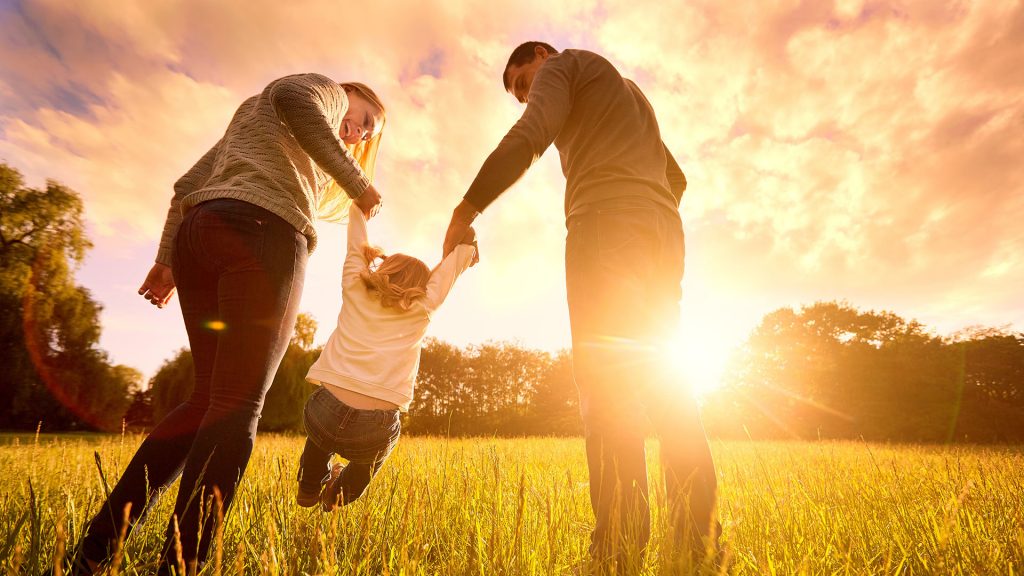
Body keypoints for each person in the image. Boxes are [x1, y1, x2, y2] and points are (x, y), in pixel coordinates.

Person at [60, 73, 387, 576]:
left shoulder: (253, 124)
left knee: (206, 401)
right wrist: (360, 184)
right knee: (238, 408)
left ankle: (93, 553)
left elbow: (187, 187)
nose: (360, 131)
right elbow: (295, 96)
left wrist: (167, 258)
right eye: (364, 118)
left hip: (201, 234)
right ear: (349, 93)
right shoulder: (323, 90)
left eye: (369, 133)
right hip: (263, 234)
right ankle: (182, 565)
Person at [442, 42, 719, 568]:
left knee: (608, 386)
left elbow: (530, 135)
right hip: (662, 232)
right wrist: (643, 208)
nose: (527, 97)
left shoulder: (564, 66)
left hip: (605, 226)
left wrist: (466, 208)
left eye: (525, 83)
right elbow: (675, 177)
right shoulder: (628, 92)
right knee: (668, 385)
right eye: (521, 93)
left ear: (542, 56)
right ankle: (695, 543)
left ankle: (617, 549)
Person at [296, 203, 478, 511]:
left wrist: (359, 209)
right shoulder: (423, 307)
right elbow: (450, 271)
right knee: (371, 458)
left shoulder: (355, 286)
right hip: (375, 426)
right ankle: (338, 495)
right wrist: (466, 248)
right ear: (422, 287)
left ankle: (310, 487)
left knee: (321, 435)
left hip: (324, 411)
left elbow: (355, 244)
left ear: (384, 269)